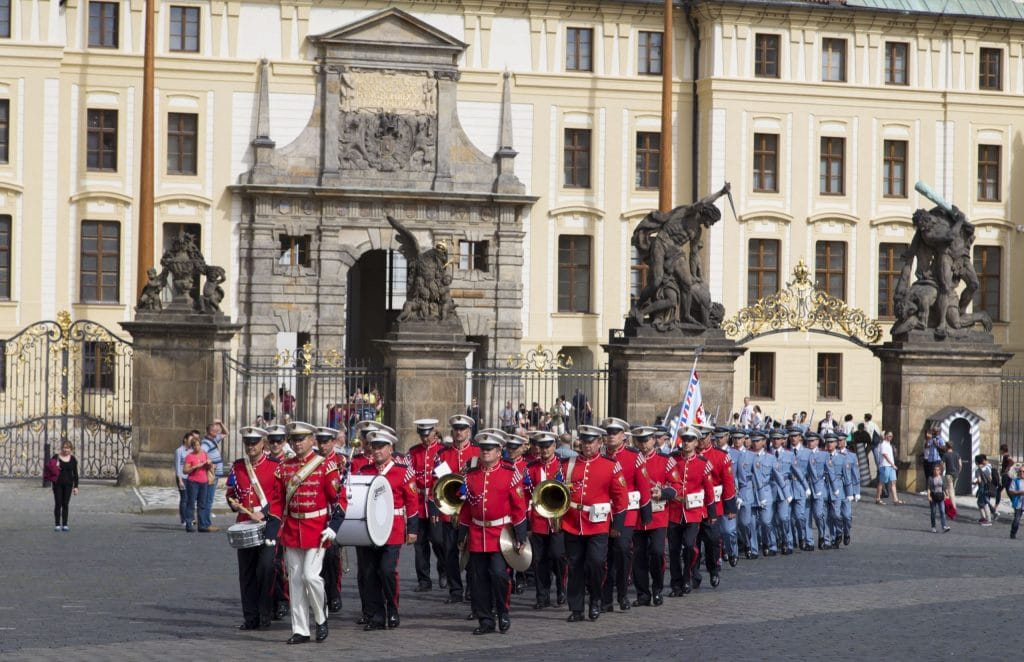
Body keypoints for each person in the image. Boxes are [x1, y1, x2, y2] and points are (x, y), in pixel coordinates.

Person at [268, 421, 347, 645]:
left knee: (311, 576)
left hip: (317, 528)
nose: (297, 443)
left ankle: (321, 618)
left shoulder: (324, 466)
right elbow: (277, 501)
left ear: (312, 440)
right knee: (294, 580)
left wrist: (334, 527)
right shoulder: (283, 468)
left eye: (302, 439)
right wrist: (272, 530)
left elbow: (339, 498)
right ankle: (301, 629)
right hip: (293, 529)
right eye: (294, 439)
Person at [457, 432, 528, 635]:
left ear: (499, 452)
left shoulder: (510, 473)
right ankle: (485, 619)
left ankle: (503, 611)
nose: (485, 452)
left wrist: (520, 536)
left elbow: (519, 508)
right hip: (477, 532)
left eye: (490, 449)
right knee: (478, 579)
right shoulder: (470, 475)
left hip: (501, 534)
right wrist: (462, 534)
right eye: (483, 449)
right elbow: (465, 508)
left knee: (498, 575)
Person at [560, 424, 629, 622]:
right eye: (584, 441)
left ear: (599, 443)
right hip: (572, 521)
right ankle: (576, 608)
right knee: (574, 566)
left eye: (591, 442)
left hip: (598, 523)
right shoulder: (567, 464)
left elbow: (621, 498)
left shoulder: (610, 465)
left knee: (597, 563)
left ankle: (596, 600)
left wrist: (617, 525)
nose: (587, 445)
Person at [355, 429, 419, 631]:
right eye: (374, 447)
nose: (376, 451)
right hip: (368, 530)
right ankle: (376, 615)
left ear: (390, 448)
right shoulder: (364, 471)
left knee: (387, 570)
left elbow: (412, 501)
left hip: (393, 527)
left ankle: (392, 608)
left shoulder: (402, 471)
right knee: (370, 572)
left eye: (381, 447)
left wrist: (413, 529)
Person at [225, 426, 280, 630]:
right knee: (246, 573)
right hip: (244, 521)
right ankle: (250, 617)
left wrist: (264, 512)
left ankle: (265, 612)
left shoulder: (275, 466)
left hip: (267, 521)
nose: (251, 447)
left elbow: (280, 496)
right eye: (247, 443)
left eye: (254, 443)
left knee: (266, 568)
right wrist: (232, 502)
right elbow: (232, 491)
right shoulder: (238, 466)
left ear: (262, 443)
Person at [599, 417, 652, 612]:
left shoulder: (634, 456)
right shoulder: (599, 454)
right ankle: (605, 599)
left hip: (627, 512)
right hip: (603, 513)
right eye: (609, 433)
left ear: (623, 436)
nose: (611, 436)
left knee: (622, 551)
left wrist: (646, 514)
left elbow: (644, 486)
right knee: (604, 557)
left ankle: (622, 594)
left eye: (615, 433)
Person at [432, 414, 480, 605]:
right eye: (456, 429)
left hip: (470, 509)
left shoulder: (477, 452)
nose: (459, 432)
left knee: (471, 550)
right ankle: (455, 590)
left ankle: (471, 587)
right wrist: (436, 509)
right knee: (450, 552)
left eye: (463, 429)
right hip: (450, 510)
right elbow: (438, 483)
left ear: (469, 431)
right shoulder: (443, 454)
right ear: (452, 431)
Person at [631, 426, 677, 606]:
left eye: (647, 440)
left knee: (657, 552)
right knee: (639, 556)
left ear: (653, 440)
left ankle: (657, 589)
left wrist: (663, 493)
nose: (643, 444)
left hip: (658, 515)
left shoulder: (665, 461)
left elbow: (676, 486)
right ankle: (642, 594)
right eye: (640, 441)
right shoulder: (631, 460)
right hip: (636, 516)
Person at [667, 426, 716, 594]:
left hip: (693, 512)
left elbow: (709, 490)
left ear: (696, 442)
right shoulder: (673, 460)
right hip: (674, 510)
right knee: (673, 550)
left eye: (690, 440)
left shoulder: (703, 463)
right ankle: (675, 583)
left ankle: (687, 577)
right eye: (684, 440)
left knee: (689, 546)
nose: (686, 443)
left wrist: (711, 513)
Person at [523, 431, 567, 609]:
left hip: (558, 519)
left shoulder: (562, 466)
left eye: (548, 446)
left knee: (557, 556)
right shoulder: (531, 467)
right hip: (539, 520)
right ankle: (542, 596)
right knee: (540, 560)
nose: (544, 450)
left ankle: (562, 588)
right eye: (541, 447)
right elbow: (526, 495)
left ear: (554, 446)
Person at [407, 418, 446, 593]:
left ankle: (443, 569)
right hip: (418, 502)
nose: (425, 438)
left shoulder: (441, 451)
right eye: (422, 435)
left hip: (435, 501)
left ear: (433, 432)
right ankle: (424, 580)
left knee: (438, 540)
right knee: (419, 544)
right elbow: (408, 475)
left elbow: (444, 480)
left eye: (427, 434)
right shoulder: (413, 452)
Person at [315, 427, 344, 614]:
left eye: (326, 442)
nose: (323, 446)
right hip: (317, 513)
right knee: (318, 559)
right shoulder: (314, 461)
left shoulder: (341, 461)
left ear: (333, 442)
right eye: (320, 442)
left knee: (333, 557)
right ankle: (321, 595)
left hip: (333, 514)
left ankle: (334, 594)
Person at [200, 420, 227, 533]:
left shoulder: (213, 440)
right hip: (211, 474)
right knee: (208, 500)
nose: (218, 430)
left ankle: (206, 523)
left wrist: (220, 423)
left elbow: (226, 433)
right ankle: (205, 524)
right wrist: (210, 463)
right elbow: (202, 454)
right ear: (211, 431)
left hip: (214, 475)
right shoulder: (206, 443)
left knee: (208, 499)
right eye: (215, 429)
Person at [182, 434, 213, 533]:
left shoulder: (204, 454)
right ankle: (189, 524)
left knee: (202, 504)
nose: (197, 447)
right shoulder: (189, 457)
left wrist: (209, 464)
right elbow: (185, 471)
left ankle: (202, 525)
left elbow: (209, 467)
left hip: (204, 482)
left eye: (198, 445)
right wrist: (195, 466)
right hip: (193, 482)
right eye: (195, 446)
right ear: (192, 447)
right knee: (191, 503)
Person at [50, 440, 79, 532]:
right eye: (64, 448)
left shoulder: (73, 459)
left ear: (71, 449)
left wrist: (76, 487)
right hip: (57, 484)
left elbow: (75, 474)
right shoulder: (56, 457)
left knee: (65, 504)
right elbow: (49, 469)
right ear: (62, 448)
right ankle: (57, 524)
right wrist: (55, 467)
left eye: (68, 448)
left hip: (68, 485)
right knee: (58, 503)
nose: (66, 450)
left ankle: (65, 524)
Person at [875, 431, 902, 505]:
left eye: (891, 436)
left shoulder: (889, 444)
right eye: (889, 436)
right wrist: (892, 464)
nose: (890, 437)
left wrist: (892, 465)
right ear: (885, 436)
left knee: (893, 482)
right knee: (882, 482)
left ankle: (895, 500)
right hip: (884, 465)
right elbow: (885, 455)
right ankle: (878, 498)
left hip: (890, 466)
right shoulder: (883, 444)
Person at [174, 431, 194, 527]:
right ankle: (183, 519)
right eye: (190, 440)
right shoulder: (179, 451)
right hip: (182, 477)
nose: (191, 442)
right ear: (185, 439)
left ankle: (190, 518)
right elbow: (177, 466)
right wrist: (180, 479)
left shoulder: (191, 451)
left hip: (191, 477)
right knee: (184, 498)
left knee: (191, 499)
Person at [973, 454, 996, 526]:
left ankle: (988, 520)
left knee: (984, 503)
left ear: (977, 462)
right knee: (981, 503)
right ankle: (983, 518)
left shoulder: (978, 470)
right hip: (987, 488)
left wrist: (974, 482)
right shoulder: (987, 467)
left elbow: (979, 480)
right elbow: (990, 478)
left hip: (982, 488)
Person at [927, 463, 950, 533]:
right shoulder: (930, 478)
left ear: (940, 471)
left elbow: (944, 487)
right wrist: (928, 496)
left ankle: (944, 526)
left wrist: (947, 495)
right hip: (933, 496)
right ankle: (933, 527)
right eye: (935, 470)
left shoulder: (942, 478)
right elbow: (929, 488)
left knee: (942, 512)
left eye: (937, 470)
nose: (936, 471)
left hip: (941, 496)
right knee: (933, 512)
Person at [1007, 467, 1024, 539]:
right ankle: (1013, 533)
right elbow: (1011, 491)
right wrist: (1021, 492)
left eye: (1023, 471)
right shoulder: (1016, 480)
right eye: (1020, 471)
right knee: (1017, 520)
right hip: (1018, 503)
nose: (1021, 473)